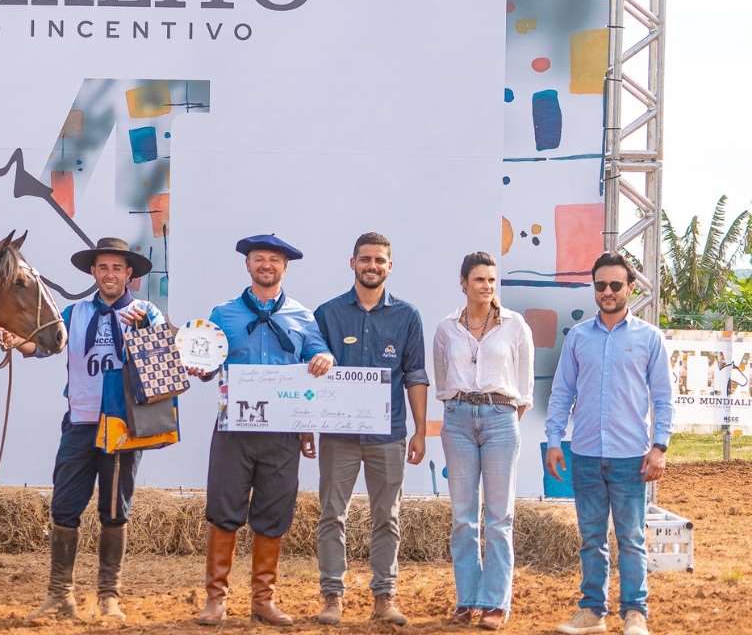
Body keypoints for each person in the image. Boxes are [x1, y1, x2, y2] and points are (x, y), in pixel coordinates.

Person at [3, 237, 174, 622]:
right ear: (93, 273)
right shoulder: (75, 312)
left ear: (130, 275)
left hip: (124, 426)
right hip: (80, 422)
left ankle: (108, 596)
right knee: (64, 508)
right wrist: (19, 344)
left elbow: (164, 369)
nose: (110, 274)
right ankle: (60, 593)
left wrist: (145, 332)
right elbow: (45, 348)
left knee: (114, 510)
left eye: (117, 268)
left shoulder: (149, 313)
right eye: (103, 267)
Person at [190, 234, 334, 626]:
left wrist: (324, 356)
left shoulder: (304, 317)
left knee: (273, 512)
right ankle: (216, 599)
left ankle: (262, 600)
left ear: (285, 267)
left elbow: (319, 356)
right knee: (223, 509)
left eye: (274, 259)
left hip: (282, 432)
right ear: (248, 265)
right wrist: (199, 367)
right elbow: (205, 364)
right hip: (233, 429)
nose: (266, 264)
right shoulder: (223, 314)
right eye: (258, 258)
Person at [545, 252, 672, 635]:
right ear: (594, 288)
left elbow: (664, 397)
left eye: (616, 284)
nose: (608, 291)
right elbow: (561, 392)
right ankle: (592, 612)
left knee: (631, 539)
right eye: (601, 285)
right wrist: (554, 441)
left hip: (632, 457)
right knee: (591, 539)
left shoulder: (650, 338)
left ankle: (635, 614)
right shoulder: (579, 337)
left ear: (629, 288)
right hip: (584, 454)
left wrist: (660, 446)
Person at [311, 232, 428, 627]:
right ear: (352, 263)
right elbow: (309, 374)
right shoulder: (327, 314)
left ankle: (385, 597)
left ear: (389, 267)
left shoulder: (407, 316)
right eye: (365, 259)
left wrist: (420, 431)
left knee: (387, 517)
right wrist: (305, 427)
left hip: (389, 435)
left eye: (379, 260)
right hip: (338, 437)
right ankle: (332, 597)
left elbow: (415, 375)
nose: (372, 266)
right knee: (331, 515)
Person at [432, 251, 535, 630]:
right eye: (479, 280)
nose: (487, 286)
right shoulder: (446, 328)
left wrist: (499, 415)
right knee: (462, 518)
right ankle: (467, 599)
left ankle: (495, 602)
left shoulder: (515, 325)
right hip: (458, 420)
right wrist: (466, 410)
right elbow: (443, 383)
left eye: (492, 280)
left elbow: (524, 388)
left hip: (500, 419)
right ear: (463, 282)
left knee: (499, 518)